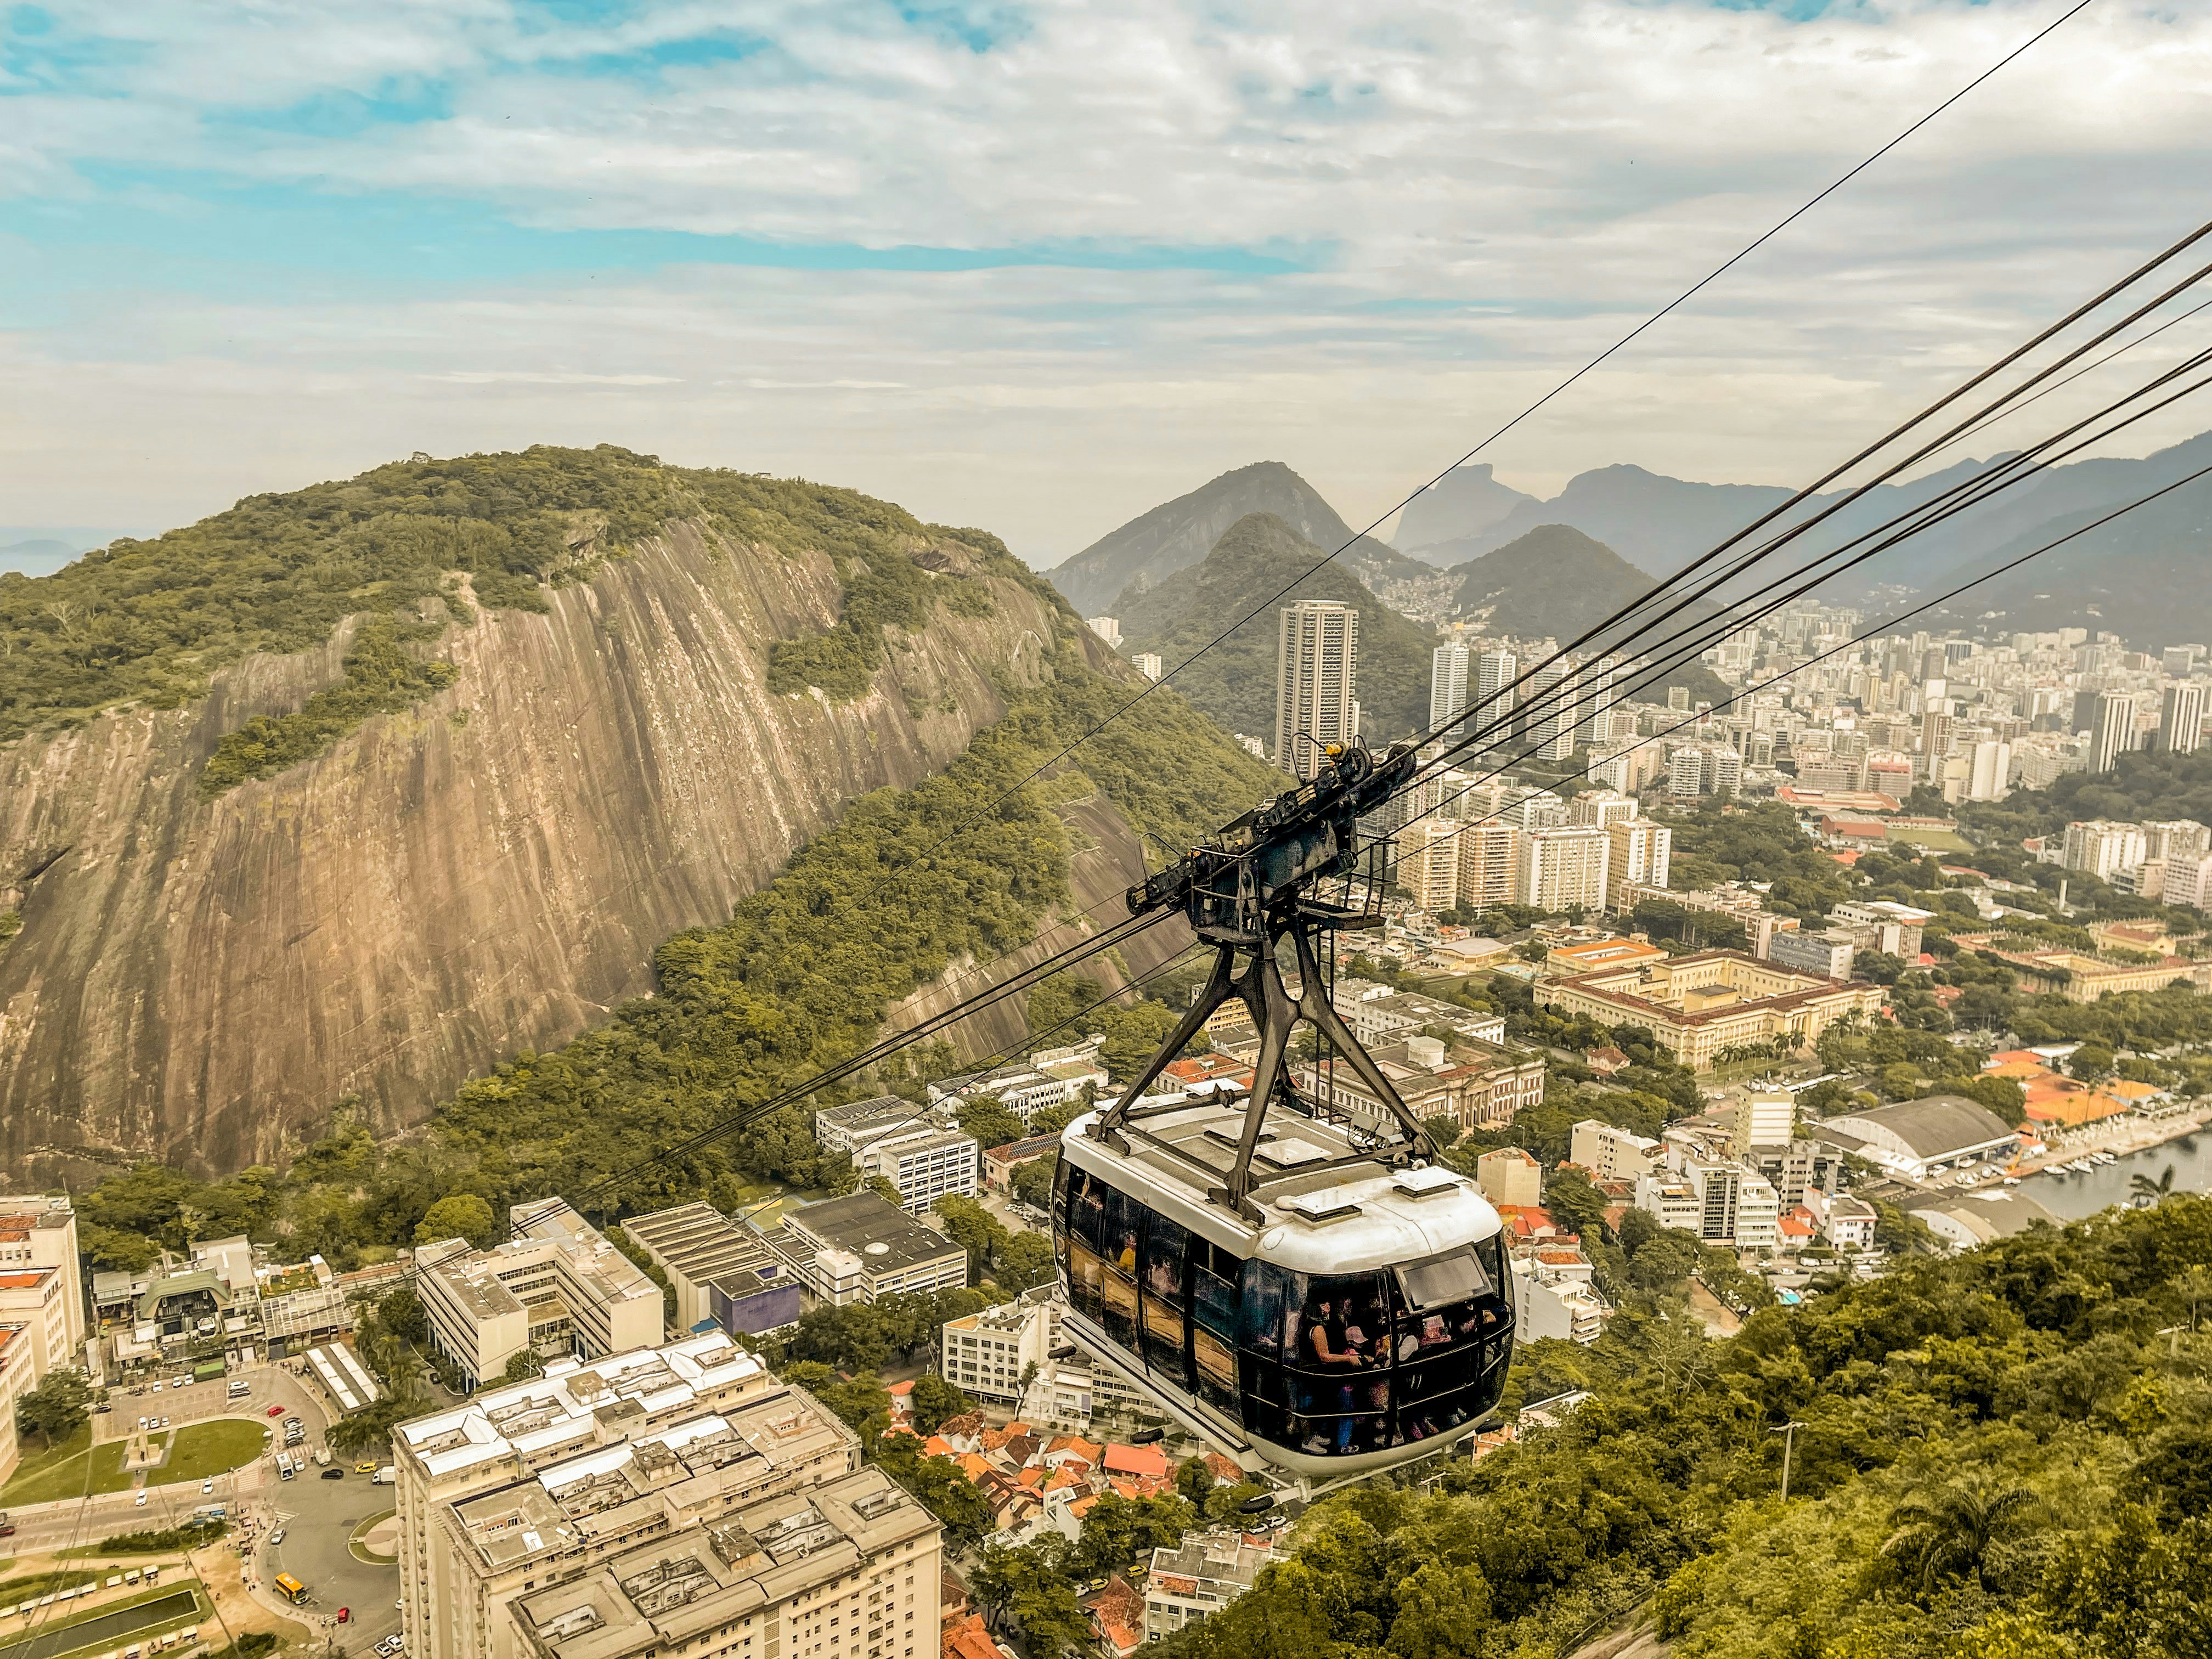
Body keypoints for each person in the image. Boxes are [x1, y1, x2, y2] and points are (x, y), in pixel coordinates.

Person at [1300, 1293, 1362, 1454]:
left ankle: (1317, 1437)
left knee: (1321, 1410)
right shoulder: (1318, 1328)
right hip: (1319, 1377)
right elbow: (1324, 1356)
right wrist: (1349, 1359)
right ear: (1316, 1309)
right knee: (1336, 1407)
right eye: (1323, 1304)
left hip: (1314, 1377)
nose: (1327, 1307)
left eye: (1328, 1303)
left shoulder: (1310, 1325)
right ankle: (1312, 1442)